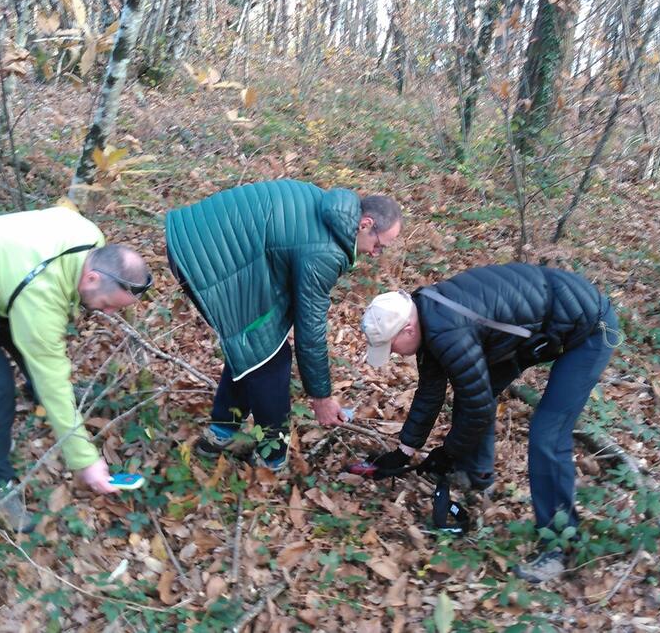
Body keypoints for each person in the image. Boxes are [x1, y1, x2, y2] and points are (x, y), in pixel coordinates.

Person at [360, 263, 620, 583]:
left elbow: (478, 408)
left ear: (408, 330)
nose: (393, 354)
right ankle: (478, 474)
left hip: (589, 329)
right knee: (473, 390)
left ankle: (561, 544)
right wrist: (403, 452)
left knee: (548, 434)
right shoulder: (428, 315)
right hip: (538, 328)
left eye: (390, 346)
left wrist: (448, 453)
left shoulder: (447, 331)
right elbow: (430, 393)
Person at [0, 207, 152, 531]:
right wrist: (84, 460)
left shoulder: (91, 238)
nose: (110, 313)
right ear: (92, 278)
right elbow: (52, 373)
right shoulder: (40, 293)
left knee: (31, 344)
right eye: (108, 305)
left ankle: (39, 396)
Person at [165, 179, 402, 470]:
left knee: (252, 347)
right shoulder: (326, 250)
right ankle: (272, 454)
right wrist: (321, 397)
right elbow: (310, 330)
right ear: (365, 224)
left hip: (194, 238)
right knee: (269, 358)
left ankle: (221, 433)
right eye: (378, 246)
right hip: (204, 258)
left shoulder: (331, 207)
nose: (376, 254)